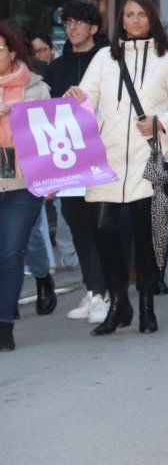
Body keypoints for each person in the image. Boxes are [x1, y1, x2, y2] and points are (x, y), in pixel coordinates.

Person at [66, 0, 168, 336]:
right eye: (128, 15)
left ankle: (147, 304)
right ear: (120, 21)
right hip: (106, 159)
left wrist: (161, 122)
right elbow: (86, 96)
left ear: (151, 18)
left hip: (148, 158)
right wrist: (74, 96)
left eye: (141, 14)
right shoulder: (105, 58)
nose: (134, 20)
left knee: (145, 236)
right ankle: (119, 303)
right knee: (104, 233)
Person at [42, 1, 110, 324]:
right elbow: (48, 117)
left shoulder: (111, 60)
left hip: (107, 154)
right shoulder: (55, 69)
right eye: (68, 22)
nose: (72, 28)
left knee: (103, 225)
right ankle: (95, 289)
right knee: (78, 224)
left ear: (94, 27)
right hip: (69, 158)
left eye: (79, 22)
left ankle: (104, 291)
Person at [0, 22, 54, 351]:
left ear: (12, 51)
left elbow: (48, 137)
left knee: (11, 252)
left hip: (22, 183)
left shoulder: (36, 88)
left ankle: (4, 322)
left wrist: (51, 179)